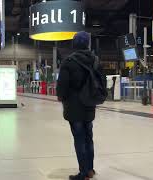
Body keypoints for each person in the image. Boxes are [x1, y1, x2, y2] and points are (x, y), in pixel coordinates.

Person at [57, 31, 100, 180]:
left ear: (74, 44)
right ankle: (90, 169)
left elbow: (62, 86)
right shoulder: (95, 60)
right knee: (89, 138)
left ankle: (83, 173)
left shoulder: (68, 62)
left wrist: (61, 97)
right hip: (89, 105)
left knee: (79, 139)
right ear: (87, 43)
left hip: (74, 107)